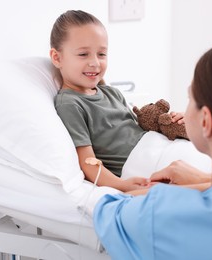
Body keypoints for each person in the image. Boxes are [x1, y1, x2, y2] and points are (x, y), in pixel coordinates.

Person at [93, 39, 212, 260]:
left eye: (190, 98)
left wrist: (191, 189)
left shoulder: (161, 213)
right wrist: (209, 181)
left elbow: (106, 209)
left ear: (206, 121)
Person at [50, 10, 186, 192]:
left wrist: (174, 123)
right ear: (57, 58)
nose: (95, 63)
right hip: (143, 163)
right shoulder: (70, 104)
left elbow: (137, 130)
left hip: (160, 146)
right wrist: (120, 185)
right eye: (83, 54)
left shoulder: (111, 93)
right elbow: (87, 162)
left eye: (101, 54)